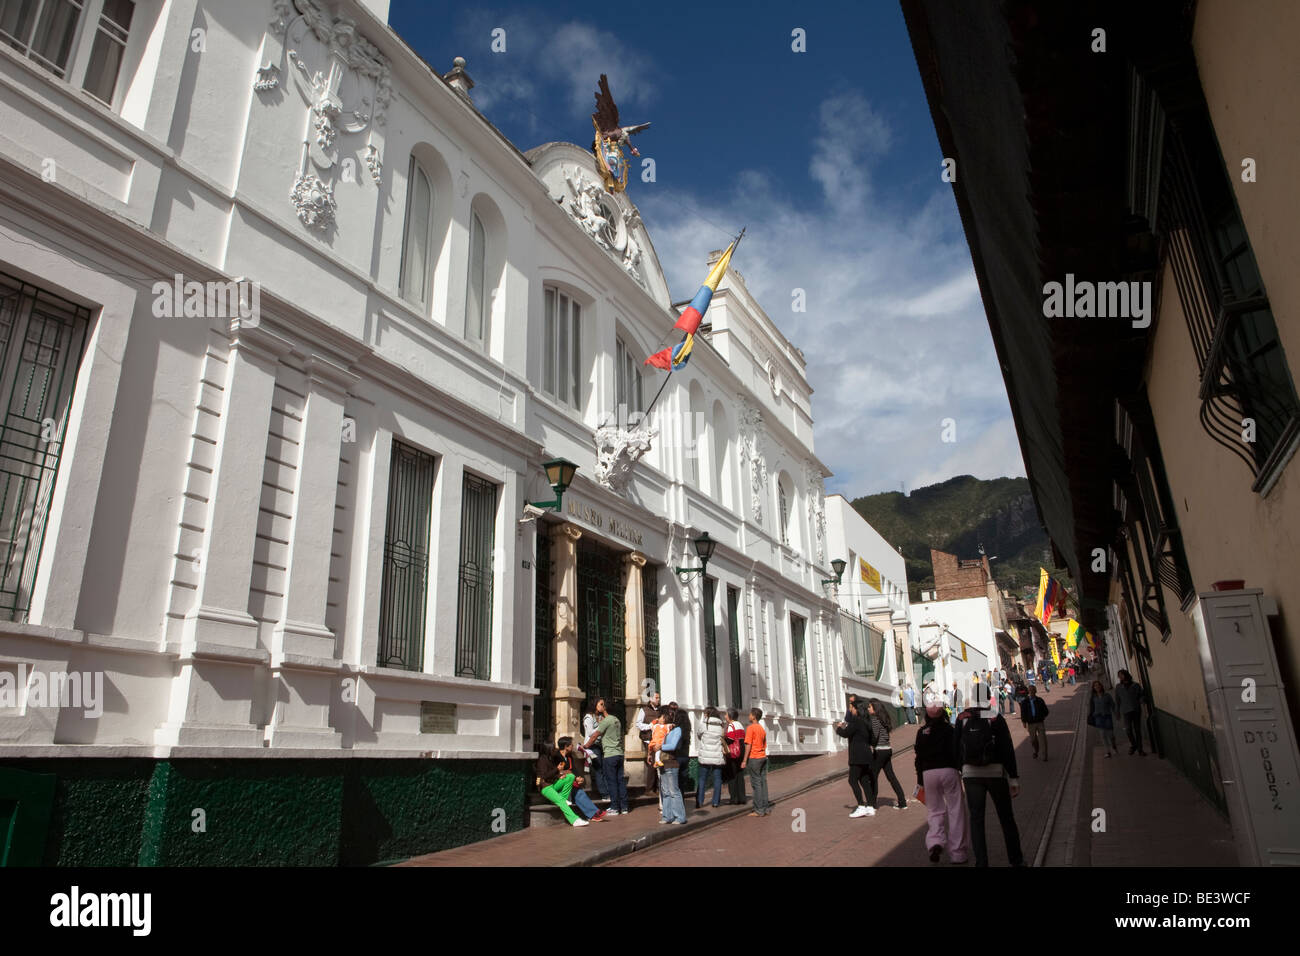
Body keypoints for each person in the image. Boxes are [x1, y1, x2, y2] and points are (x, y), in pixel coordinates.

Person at [954, 685, 1024, 867]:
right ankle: (1016, 861)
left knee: (976, 820)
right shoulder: (994, 716)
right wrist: (1013, 777)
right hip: (995, 773)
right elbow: (1007, 748)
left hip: (970, 775)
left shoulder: (962, 718)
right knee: (1006, 818)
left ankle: (982, 862)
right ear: (987, 697)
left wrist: (960, 771)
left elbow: (955, 748)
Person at [914, 697, 967, 863]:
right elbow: (957, 751)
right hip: (948, 770)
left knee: (935, 810)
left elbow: (918, 758)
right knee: (956, 810)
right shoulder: (949, 730)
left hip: (928, 773)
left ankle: (935, 841)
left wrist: (920, 779)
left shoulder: (921, 732)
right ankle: (957, 852)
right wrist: (960, 768)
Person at [583, 697, 628, 815]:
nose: (601, 706)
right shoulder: (617, 719)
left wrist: (585, 746)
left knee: (612, 781)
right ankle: (624, 807)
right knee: (620, 781)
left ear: (605, 708)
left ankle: (614, 806)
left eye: (603, 704)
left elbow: (594, 736)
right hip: (619, 753)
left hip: (610, 755)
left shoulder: (606, 721)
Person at [834, 699, 877, 817]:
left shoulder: (856, 721)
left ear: (857, 709)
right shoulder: (867, 721)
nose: (850, 710)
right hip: (866, 754)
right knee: (864, 780)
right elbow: (872, 739)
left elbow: (845, 733)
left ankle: (861, 806)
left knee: (852, 780)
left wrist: (838, 728)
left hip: (857, 755)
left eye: (851, 708)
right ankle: (871, 806)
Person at [865, 699, 908, 810]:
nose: (868, 709)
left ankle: (872, 804)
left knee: (872, 776)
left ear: (875, 708)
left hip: (879, 751)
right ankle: (902, 802)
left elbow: (875, 737)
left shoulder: (874, 719)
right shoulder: (883, 718)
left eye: (869, 707)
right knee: (891, 776)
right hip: (887, 749)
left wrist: (867, 742)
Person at [535, 742, 590, 828]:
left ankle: (560, 799)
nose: (555, 750)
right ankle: (574, 820)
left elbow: (553, 773)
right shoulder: (542, 760)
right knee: (561, 801)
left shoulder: (551, 758)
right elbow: (544, 776)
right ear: (548, 750)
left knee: (570, 777)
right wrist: (557, 769)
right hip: (545, 786)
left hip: (553, 784)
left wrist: (559, 776)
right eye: (553, 749)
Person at [556, 737, 607, 822]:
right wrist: (568, 773)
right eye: (571, 744)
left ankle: (593, 814)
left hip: (569, 782)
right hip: (560, 783)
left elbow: (574, 770)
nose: (573, 746)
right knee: (576, 792)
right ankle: (594, 813)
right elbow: (557, 771)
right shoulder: (556, 757)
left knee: (578, 792)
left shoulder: (569, 757)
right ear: (566, 746)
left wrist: (579, 777)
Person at [653, 716, 687, 825]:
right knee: (665, 791)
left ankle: (680, 816)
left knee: (674, 791)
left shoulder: (677, 730)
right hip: (663, 763)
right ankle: (667, 816)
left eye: (662, 716)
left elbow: (672, 745)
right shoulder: (667, 730)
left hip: (671, 763)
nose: (660, 718)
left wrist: (660, 746)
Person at [742, 707, 771, 816]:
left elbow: (748, 744)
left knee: (756, 784)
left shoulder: (751, 728)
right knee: (763, 782)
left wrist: (744, 759)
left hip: (754, 757)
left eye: (750, 714)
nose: (749, 716)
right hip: (763, 756)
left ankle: (759, 810)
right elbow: (764, 744)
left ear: (753, 716)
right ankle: (765, 807)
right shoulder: (761, 728)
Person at [696, 706, 726, 808]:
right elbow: (723, 738)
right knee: (717, 779)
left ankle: (700, 801)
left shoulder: (704, 724)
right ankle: (716, 802)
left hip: (705, 755)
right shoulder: (721, 726)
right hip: (717, 756)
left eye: (705, 713)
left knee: (702, 779)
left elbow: (699, 735)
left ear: (708, 714)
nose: (704, 715)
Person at [635, 691, 663, 794]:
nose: (658, 699)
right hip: (648, 739)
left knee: (658, 761)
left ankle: (656, 787)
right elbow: (638, 724)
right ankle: (649, 788)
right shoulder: (644, 710)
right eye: (656, 698)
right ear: (651, 699)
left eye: (659, 698)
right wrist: (649, 726)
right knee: (652, 763)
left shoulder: (660, 711)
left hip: (658, 739)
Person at [1114, 669, 1147, 756]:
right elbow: (1117, 700)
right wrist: (1117, 712)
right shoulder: (1118, 687)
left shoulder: (1135, 685)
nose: (1120, 677)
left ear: (1126, 675)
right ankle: (1134, 745)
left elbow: (1141, 694)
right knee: (1128, 730)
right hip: (1126, 711)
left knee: (1137, 730)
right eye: (1119, 675)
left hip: (1136, 710)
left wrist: (1141, 700)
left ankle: (1140, 749)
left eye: (1121, 675)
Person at [1019, 684, 1050, 761]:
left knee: (1043, 739)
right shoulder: (1025, 702)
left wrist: (1042, 717)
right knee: (1033, 740)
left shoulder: (1040, 700)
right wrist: (1023, 721)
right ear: (1028, 692)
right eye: (1030, 691)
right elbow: (1023, 712)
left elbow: (1046, 711)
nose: (1031, 692)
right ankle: (1036, 750)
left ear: (1035, 691)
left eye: (1033, 691)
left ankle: (1044, 756)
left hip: (1040, 722)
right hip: (1031, 724)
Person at [581, 703, 606, 799]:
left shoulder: (600, 716)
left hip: (600, 745)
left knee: (603, 770)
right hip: (592, 746)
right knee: (599, 770)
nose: (602, 706)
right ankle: (604, 793)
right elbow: (590, 732)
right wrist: (601, 725)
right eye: (601, 704)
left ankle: (605, 791)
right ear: (595, 705)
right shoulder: (588, 717)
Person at [1087, 680, 1118, 757]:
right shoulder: (1093, 698)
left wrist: (1116, 713)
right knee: (1103, 735)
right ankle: (1108, 751)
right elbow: (1091, 708)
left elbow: (1113, 705)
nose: (1097, 687)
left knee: (1111, 735)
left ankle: (1113, 745)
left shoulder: (1107, 696)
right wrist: (1091, 716)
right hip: (1098, 717)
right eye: (1095, 686)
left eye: (1098, 685)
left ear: (1101, 686)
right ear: (1093, 688)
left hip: (1107, 716)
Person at [724, 708, 747, 805]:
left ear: (730, 716)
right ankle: (742, 797)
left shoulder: (731, 725)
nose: (725, 716)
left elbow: (730, 739)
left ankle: (734, 798)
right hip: (741, 752)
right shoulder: (740, 725)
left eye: (726, 714)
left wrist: (723, 740)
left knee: (732, 775)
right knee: (740, 775)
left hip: (733, 753)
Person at [668, 701, 692, 794]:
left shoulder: (676, 730)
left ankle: (676, 805)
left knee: (674, 783)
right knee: (681, 782)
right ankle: (681, 803)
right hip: (685, 756)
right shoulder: (687, 730)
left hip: (677, 757)